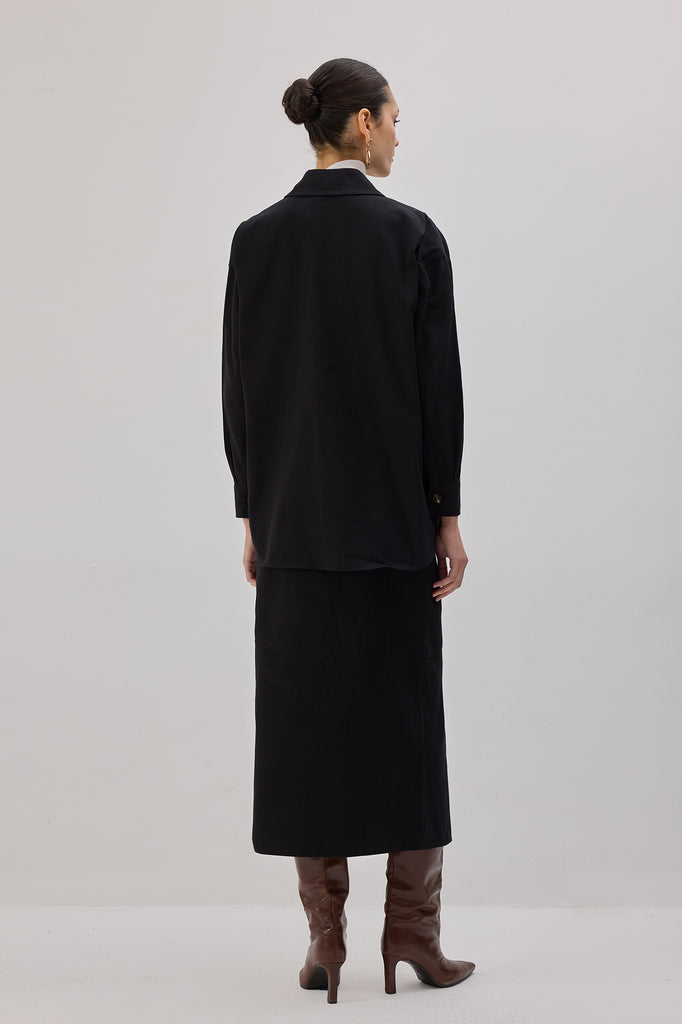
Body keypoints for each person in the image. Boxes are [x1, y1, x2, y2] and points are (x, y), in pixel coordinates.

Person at [221, 56, 475, 1004]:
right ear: (362, 124)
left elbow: (240, 387)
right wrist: (446, 512)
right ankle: (412, 934)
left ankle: (325, 942)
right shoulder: (411, 236)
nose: (400, 134)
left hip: (294, 526)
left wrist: (253, 510)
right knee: (407, 725)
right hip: (392, 529)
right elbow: (438, 390)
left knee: (304, 727)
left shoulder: (256, 240)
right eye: (395, 118)